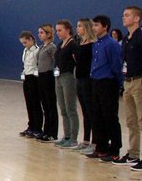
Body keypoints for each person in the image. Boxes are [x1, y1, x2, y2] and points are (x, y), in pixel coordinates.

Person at [118, 6, 142, 170]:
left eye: (127, 15)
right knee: (131, 120)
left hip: (140, 81)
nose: (123, 18)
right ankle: (133, 153)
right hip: (128, 81)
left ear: (136, 18)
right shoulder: (126, 38)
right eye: (123, 15)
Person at [88, 15, 123, 160]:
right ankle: (101, 147)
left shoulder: (112, 44)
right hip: (95, 81)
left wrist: (119, 84)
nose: (94, 28)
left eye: (96, 25)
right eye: (93, 25)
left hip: (108, 83)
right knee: (97, 116)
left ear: (105, 26)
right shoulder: (96, 44)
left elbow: (116, 65)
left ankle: (114, 149)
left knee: (110, 117)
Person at [52, 20, 81, 148]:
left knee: (70, 108)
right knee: (63, 108)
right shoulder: (59, 44)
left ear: (68, 30)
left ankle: (73, 139)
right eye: (57, 30)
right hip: (58, 77)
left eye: (60, 30)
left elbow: (77, 61)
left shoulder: (73, 44)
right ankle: (67, 135)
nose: (58, 33)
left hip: (68, 77)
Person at [73, 19, 97, 153]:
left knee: (91, 111)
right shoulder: (80, 43)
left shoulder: (93, 44)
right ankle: (86, 140)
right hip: (80, 79)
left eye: (80, 26)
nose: (77, 28)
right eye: (77, 26)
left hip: (88, 80)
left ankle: (95, 142)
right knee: (85, 112)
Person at [35, 24, 58, 142]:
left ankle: (52, 132)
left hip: (48, 75)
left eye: (42, 33)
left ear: (48, 34)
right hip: (41, 76)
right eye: (39, 33)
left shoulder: (51, 47)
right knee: (44, 105)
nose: (39, 35)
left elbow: (56, 60)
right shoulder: (41, 47)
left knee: (50, 105)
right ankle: (46, 130)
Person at [18, 31, 42, 139]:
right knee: (29, 103)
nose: (24, 45)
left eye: (25, 42)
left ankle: (37, 128)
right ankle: (31, 126)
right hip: (26, 77)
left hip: (34, 78)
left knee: (35, 103)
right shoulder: (25, 51)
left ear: (31, 39)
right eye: (22, 43)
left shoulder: (37, 51)